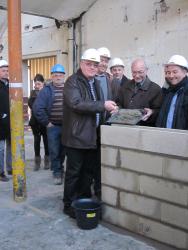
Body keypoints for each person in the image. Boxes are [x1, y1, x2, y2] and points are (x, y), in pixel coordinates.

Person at [62, 48, 117, 218]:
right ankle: (68, 203)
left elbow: (99, 107)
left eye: (95, 65)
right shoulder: (72, 81)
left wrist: (111, 110)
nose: (93, 67)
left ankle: (84, 199)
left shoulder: (96, 83)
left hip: (92, 136)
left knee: (88, 172)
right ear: (81, 64)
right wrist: (103, 105)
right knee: (74, 172)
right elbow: (77, 103)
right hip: (77, 137)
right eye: (89, 64)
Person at [33, 64, 65, 185]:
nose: (58, 77)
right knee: (54, 150)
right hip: (53, 127)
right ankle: (57, 172)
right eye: (55, 75)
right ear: (51, 77)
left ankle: (60, 169)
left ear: (63, 76)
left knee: (64, 150)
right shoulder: (46, 90)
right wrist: (47, 122)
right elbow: (37, 108)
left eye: (60, 75)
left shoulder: (69, 89)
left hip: (67, 126)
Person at [117, 58, 163, 126]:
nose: (137, 75)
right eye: (134, 72)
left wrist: (152, 112)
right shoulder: (125, 86)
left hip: (144, 129)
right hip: (125, 127)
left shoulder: (156, 89)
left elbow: (160, 111)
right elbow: (119, 102)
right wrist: (117, 108)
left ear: (146, 70)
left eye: (140, 72)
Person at [156, 55, 188, 129]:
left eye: (175, 72)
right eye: (168, 72)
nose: (171, 76)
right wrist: (152, 112)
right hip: (165, 136)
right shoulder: (166, 91)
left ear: (185, 71)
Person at [28, 74, 49, 171]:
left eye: (39, 84)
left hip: (45, 121)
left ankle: (47, 161)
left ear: (43, 83)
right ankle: (37, 162)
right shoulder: (33, 93)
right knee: (37, 141)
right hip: (35, 122)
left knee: (46, 141)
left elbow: (48, 105)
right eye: (35, 84)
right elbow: (32, 105)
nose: (37, 86)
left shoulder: (47, 91)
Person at [0, 60, 12, 182]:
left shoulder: (10, 84)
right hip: (0, 122)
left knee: (11, 146)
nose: (6, 73)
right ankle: (1, 172)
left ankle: (10, 168)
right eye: (3, 70)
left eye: (7, 70)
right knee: (1, 148)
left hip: (10, 121)